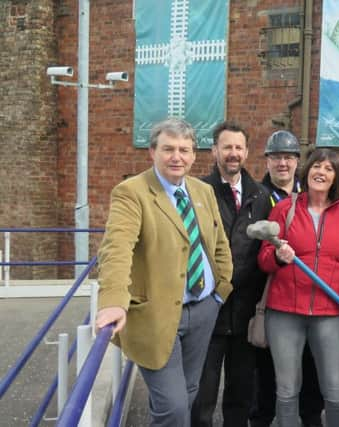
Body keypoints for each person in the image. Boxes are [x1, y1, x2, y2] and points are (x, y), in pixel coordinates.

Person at [95, 117, 233, 427]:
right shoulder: (131, 192)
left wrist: (220, 290)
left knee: (189, 391)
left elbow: (218, 243)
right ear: (152, 152)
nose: (177, 157)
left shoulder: (202, 190)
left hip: (203, 309)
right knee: (172, 406)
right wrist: (113, 300)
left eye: (185, 150)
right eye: (168, 149)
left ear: (194, 155)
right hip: (156, 315)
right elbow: (116, 249)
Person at [258, 148, 339, 427]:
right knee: (286, 389)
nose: (321, 172)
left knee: (334, 389)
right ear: (306, 172)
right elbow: (263, 258)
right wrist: (277, 257)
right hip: (284, 312)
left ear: (336, 177)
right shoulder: (286, 208)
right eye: (317, 166)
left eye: (329, 169)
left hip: (329, 312)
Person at [191, 121, 272, 427]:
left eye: (239, 147)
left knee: (240, 395)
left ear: (247, 152)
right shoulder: (198, 191)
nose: (233, 153)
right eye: (227, 147)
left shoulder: (260, 196)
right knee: (202, 396)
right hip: (207, 311)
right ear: (215, 151)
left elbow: (263, 252)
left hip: (245, 313)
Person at [250, 130, 325, 427]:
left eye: (289, 157)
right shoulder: (257, 195)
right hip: (270, 291)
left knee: (311, 363)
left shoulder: (312, 195)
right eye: (276, 157)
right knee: (266, 367)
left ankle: (310, 418)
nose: (283, 163)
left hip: (309, 295)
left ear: (297, 161)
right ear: (267, 161)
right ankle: (262, 418)